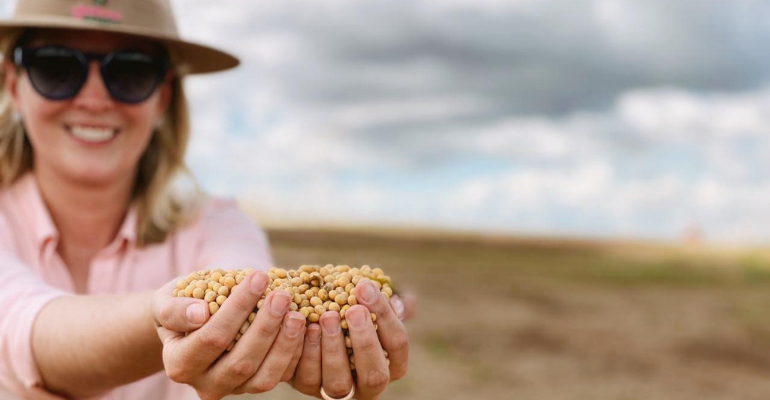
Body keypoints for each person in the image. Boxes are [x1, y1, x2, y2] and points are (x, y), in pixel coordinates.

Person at [0, 1, 413, 400]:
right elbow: (24, 332)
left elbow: (251, 283)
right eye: (55, 67)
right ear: (12, 84)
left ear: (162, 96)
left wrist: (320, 351)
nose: (93, 99)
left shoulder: (216, 224)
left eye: (130, 72)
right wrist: (171, 316)